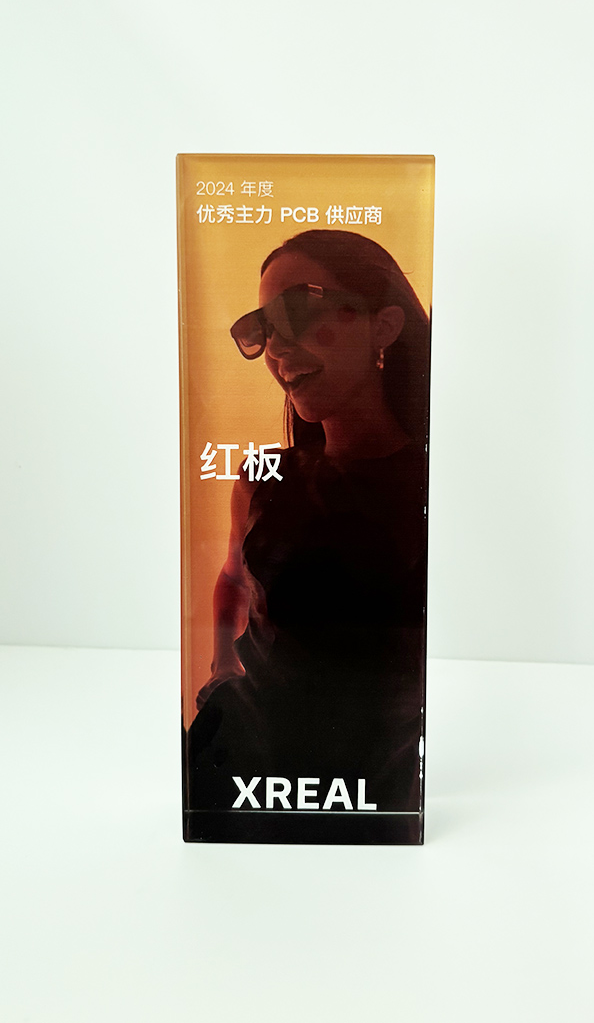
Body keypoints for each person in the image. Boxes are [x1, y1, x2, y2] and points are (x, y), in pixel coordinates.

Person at [184, 229, 430, 840]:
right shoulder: (263, 476)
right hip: (235, 765)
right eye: (263, 327)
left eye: (300, 309)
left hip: (376, 782)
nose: (276, 345)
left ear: (384, 325)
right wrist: (221, 668)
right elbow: (232, 577)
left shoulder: (435, 484)